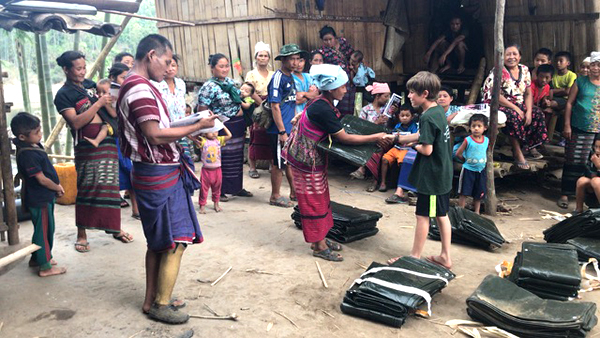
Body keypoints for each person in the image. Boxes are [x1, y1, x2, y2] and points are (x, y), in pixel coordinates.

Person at [118, 34, 218, 324]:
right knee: (176, 241)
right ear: (151, 56)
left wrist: (189, 123)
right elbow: (154, 134)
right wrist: (197, 125)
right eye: (165, 61)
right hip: (158, 171)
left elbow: (156, 129)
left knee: (158, 241)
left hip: (151, 170)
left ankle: (151, 300)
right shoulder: (140, 89)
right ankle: (162, 303)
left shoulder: (136, 85)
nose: (167, 67)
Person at [283, 64, 386, 261]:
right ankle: (318, 246)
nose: (346, 90)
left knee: (321, 198)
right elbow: (344, 138)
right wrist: (376, 136)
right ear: (331, 89)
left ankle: (320, 238)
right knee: (313, 201)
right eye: (343, 86)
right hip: (305, 160)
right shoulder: (323, 107)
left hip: (313, 158)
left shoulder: (324, 102)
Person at [54, 51, 132, 253]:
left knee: (110, 187)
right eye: (78, 68)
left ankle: (114, 228)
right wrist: (98, 103)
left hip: (106, 142)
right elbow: (76, 122)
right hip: (87, 146)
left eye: (83, 67)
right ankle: (82, 234)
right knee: (87, 186)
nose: (82, 72)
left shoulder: (90, 85)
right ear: (66, 69)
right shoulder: (64, 95)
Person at [387, 71, 453, 270]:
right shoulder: (438, 111)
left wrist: (410, 146)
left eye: (412, 93)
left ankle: (414, 257)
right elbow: (423, 135)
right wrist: (398, 138)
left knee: (424, 215)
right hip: (442, 172)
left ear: (424, 93)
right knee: (442, 215)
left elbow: (426, 148)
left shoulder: (426, 117)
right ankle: (445, 257)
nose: (409, 96)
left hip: (432, 177)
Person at [11, 112, 67, 277]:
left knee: (47, 228)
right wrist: (57, 187)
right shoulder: (27, 154)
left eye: (40, 130)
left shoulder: (33, 146)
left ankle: (38, 258)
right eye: (36, 133)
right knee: (42, 231)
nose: (40, 134)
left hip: (45, 196)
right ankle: (45, 266)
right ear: (22, 136)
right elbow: (41, 179)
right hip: (39, 197)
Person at [481, 43, 548, 169]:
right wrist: (516, 109)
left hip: (519, 103)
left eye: (514, 54)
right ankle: (517, 152)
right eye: (508, 54)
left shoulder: (525, 70)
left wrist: (528, 111)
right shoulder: (498, 71)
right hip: (497, 103)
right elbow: (495, 95)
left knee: (537, 113)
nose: (511, 57)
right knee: (513, 116)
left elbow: (528, 93)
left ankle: (530, 146)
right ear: (503, 57)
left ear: (520, 56)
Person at [197, 53, 252, 201]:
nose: (225, 69)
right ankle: (220, 191)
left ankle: (236, 187)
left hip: (237, 126)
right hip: (221, 127)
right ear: (212, 68)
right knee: (222, 159)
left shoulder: (231, 83)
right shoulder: (208, 87)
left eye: (227, 66)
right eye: (221, 66)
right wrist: (205, 131)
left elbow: (240, 100)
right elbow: (202, 110)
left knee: (236, 159)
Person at [558, 52, 600, 209]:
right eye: (593, 65)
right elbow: (569, 103)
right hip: (579, 126)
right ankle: (565, 194)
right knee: (573, 160)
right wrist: (567, 125)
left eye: (598, 65)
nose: (595, 68)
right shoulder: (580, 81)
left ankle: (589, 197)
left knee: (593, 162)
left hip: (598, 130)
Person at [267, 44, 303, 207]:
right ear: (283, 60)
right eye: (292, 59)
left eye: (297, 59)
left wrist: (294, 124)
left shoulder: (291, 77)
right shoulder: (278, 78)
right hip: (278, 130)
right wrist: (282, 131)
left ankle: (294, 192)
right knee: (278, 163)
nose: (295, 62)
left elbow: (292, 102)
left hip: (289, 127)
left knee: (288, 161)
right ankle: (275, 196)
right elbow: (275, 106)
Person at [108, 62, 140, 219]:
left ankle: (136, 209)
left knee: (131, 172)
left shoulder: (125, 90)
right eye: (122, 77)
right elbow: (114, 114)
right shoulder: (110, 93)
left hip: (128, 136)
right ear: (113, 78)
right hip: (117, 139)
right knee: (125, 172)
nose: (126, 80)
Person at [152, 55, 191, 157]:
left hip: (181, 131)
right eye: (167, 65)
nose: (170, 69)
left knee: (186, 161)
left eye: (173, 65)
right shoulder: (155, 85)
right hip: (165, 132)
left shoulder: (181, 84)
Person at [246, 41, 274, 179]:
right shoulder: (251, 74)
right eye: (260, 55)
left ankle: (271, 164)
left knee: (270, 135)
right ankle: (252, 167)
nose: (263, 58)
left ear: (269, 58)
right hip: (257, 108)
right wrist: (262, 104)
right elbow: (249, 91)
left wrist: (270, 105)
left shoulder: (273, 74)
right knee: (255, 136)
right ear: (256, 57)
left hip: (271, 107)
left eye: (265, 55)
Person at [380, 105, 419, 194]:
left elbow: (415, 139)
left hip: (407, 149)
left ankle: (401, 185)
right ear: (398, 116)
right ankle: (383, 182)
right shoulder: (397, 126)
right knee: (384, 159)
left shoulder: (414, 127)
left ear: (412, 116)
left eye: (407, 115)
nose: (404, 118)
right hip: (396, 148)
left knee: (402, 163)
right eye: (402, 116)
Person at [318, 25, 356, 116]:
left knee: (351, 104)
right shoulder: (323, 52)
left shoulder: (343, 44)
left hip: (350, 79)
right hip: (337, 81)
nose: (328, 42)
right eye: (325, 40)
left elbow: (353, 55)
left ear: (335, 37)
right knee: (340, 103)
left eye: (330, 39)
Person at [456, 114, 489, 214]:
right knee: (464, 192)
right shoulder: (468, 140)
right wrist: (465, 161)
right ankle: (461, 211)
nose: (476, 129)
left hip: (481, 170)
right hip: (468, 170)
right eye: (473, 126)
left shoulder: (486, 140)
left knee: (478, 193)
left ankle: (477, 212)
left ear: (485, 128)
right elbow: (458, 153)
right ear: (469, 127)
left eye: (479, 126)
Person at [195, 126, 232, 214]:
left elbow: (230, 135)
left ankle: (216, 204)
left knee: (217, 189)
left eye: (216, 131)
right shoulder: (203, 141)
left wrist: (222, 126)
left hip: (217, 170)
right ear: (204, 133)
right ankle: (202, 205)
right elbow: (193, 137)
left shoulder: (219, 140)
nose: (214, 133)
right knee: (204, 189)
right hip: (206, 171)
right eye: (211, 131)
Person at [83, 78, 116, 147]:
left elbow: (114, 115)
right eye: (98, 92)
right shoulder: (98, 100)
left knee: (105, 127)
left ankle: (96, 141)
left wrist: (105, 105)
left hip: (114, 125)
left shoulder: (112, 101)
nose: (100, 95)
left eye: (104, 92)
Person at [575, 137, 600, 213]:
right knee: (582, 181)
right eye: (596, 147)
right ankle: (578, 210)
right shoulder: (594, 158)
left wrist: (599, 166)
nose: (597, 150)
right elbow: (591, 175)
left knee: (596, 181)